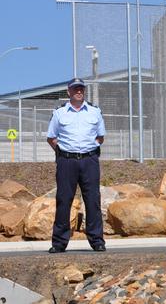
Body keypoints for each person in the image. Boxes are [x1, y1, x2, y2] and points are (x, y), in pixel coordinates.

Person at [46, 78, 106, 253]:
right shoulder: (59, 113)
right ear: (69, 92)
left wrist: (88, 151)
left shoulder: (95, 112)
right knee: (64, 200)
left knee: (93, 200)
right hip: (67, 162)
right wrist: (63, 153)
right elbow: (51, 138)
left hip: (89, 161)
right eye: (75, 89)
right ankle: (59, 243)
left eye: (81, 89)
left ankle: (97, 241)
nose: (78, 91)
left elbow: (100, 137)